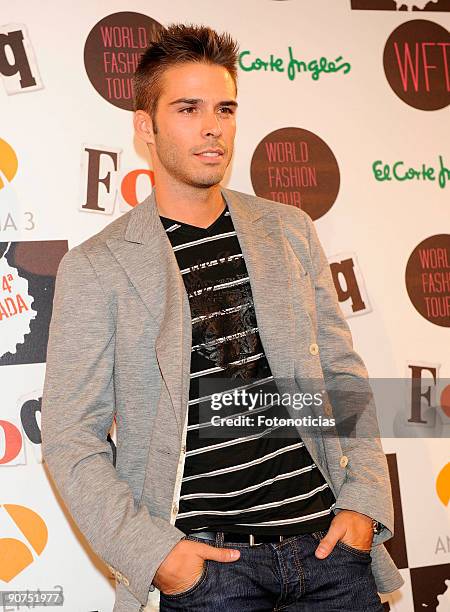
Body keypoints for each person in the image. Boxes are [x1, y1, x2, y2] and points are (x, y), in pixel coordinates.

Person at [41, 23, 404, 612]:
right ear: (145, 127)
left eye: (225, 108)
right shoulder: (98, 267)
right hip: (210, 575)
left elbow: (341, 376)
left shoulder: (287, 230)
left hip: (331, 554)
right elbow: (69, 438)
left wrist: (363, 501)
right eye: (188, 109)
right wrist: (157, 555)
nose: (213, 127)